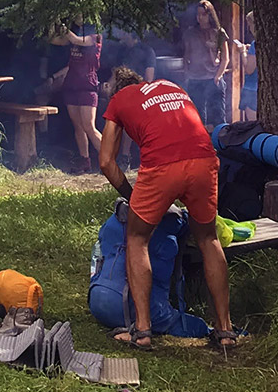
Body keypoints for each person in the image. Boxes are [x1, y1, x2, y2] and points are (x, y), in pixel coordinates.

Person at [97, 66, 240, 350]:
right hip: (204, 159)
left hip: (162, 165)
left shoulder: (119, 100)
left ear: (117, 88)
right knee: (208, 239)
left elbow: (105, 162)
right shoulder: (171, 86)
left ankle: (142, 331)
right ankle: (225, 331)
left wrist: (132, 197)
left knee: (137, 238)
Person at [177, 0, 233, 131]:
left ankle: (219, 142)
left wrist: (218, 76)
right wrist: (187, 74)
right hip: (196, 79)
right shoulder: (190, 33)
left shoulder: (219, 32)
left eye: (203, 14)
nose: (200, 17)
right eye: (198, 14)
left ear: (210, 15)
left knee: (218, 117)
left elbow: (226, 58)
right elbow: (186, 56)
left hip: (213, 78)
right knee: (197, 118)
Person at [58, 28, 104, 165]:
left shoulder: (95, 37)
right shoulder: (74, 36)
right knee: (78, 126)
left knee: (89, 126)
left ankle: (109, 160)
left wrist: (62, 26)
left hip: (87, 86)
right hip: (71, 85)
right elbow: (56, 41)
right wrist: (52, 25)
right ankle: (85, 160)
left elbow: (76, 40)